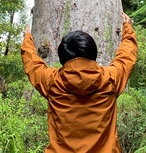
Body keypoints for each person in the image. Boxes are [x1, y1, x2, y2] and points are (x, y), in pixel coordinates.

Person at [21, 12, 138, 152]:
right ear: (93, 53)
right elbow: (126, 57)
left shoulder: (51, 81)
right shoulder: (111, 79)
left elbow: (32, 65)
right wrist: (128, 29)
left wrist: (27, 41)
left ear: (62, 57)